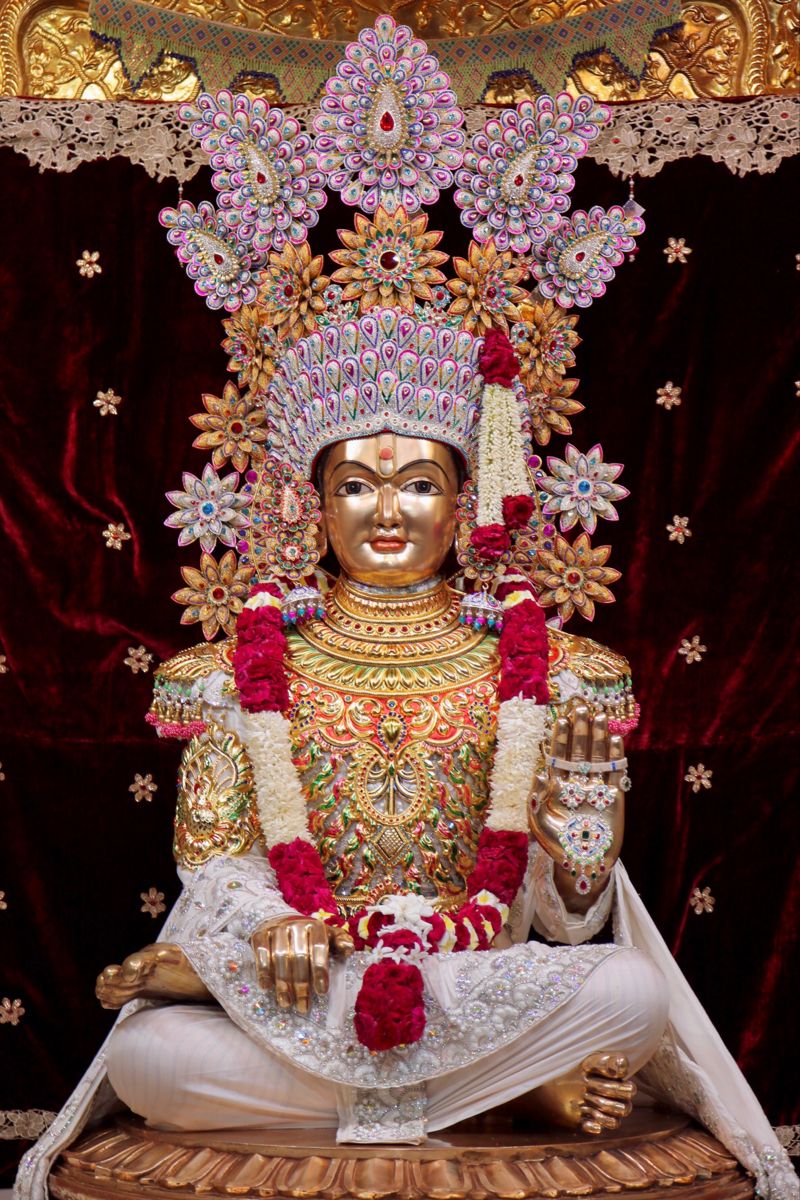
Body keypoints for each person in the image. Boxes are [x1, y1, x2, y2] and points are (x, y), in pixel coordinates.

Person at [14, 17, 797, 1199]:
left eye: (419, 479)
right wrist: (260, 936)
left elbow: (574, 932)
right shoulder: (232, 671)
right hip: (305, 985)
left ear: (467, 496)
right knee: (156, 1055)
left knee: (627, 1000)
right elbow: (214, 868)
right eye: (358, 482)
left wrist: (582, 830)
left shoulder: (555, 672)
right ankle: (506, 1093)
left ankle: (456, 1079)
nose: (388, 510)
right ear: (311, 500)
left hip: (473, 974)